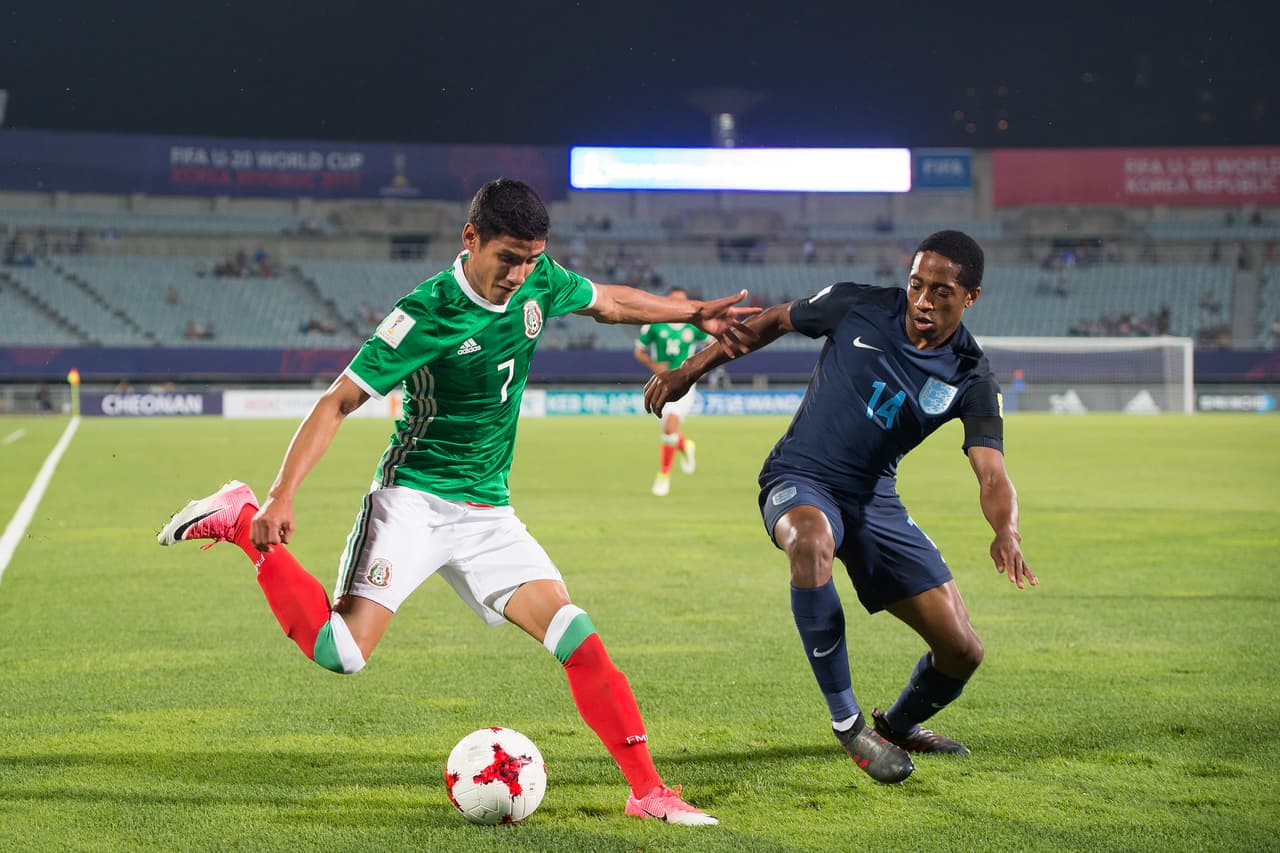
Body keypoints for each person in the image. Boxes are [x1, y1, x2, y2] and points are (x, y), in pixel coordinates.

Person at [157, 179, 760, 826]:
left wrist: (692, 311)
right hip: (413, 500)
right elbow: (337, 400)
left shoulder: (539, 278)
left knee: (578, 636)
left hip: (490, 514)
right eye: (509, 258)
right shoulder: (424, 313)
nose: (520, 274)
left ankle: (647, 791)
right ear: (470, 239)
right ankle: (242, 520)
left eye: (532, 258)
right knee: (342, 653)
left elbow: (609, 301)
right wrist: (281, 495)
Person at [644, 230, 1036, 785]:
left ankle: (897, 725)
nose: (923, 301)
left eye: (941, 292)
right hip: (800, 476)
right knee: (809, 541)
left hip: (875, 500)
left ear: (970, 296)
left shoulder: (971, 374)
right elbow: (774, 319)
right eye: (917, 285)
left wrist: (1008, 531)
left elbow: (991, 470)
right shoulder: (860, 305)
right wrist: (692, 367)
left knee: (962, 650)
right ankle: (849, 725)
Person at [633, 287, 711, 496]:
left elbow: (713, 344)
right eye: (674, 300)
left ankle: (663, 476)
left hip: (685, 384)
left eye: (683, 300)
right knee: (670, 430)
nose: (679, 304)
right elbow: (639, 351)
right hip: (660, 382)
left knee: (670, 425)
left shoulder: (694, 326)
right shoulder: (654, 324)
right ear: (666, 301)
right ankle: (686, 447)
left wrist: (699, 366)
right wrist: (654, 366)